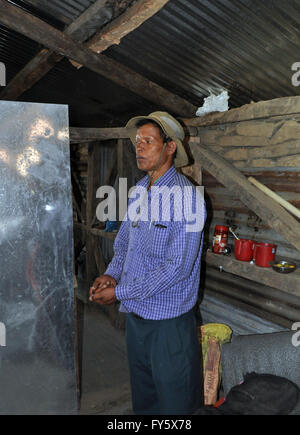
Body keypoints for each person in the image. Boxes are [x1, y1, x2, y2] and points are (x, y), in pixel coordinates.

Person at [89, 111, 206, 415]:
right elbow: (126, 242)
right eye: (137, 141)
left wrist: (119, 293)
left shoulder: (188, 198)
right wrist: (111, 276)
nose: (139, 147)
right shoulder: (140, 190)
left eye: (148, 141)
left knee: (175, 404)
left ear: (170, 147)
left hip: (168, 325)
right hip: (137, 318)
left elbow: (177, 268)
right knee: (145, 400)